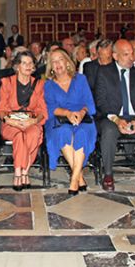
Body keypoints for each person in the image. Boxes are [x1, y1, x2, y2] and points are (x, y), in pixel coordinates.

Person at [94, 39, 135, 191]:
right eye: (126, 54)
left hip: (134, 117)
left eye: (133, 53)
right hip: (111, 118)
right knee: (109, 132)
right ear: (115, 56)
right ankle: (108, 174)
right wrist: (117, 120)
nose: (131, 57)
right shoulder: (104, 72)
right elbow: (100, 102)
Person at [44, 48, 96, 195]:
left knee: (82, 132)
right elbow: (50, 107)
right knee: (63, 132)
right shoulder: (48, 85)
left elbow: (89, 103)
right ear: (51, 66)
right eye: (53, 62)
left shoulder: (80, 79)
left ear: (67, 61)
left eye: (60, 59)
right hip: (58, 119)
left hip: (82, 117)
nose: (57, 64)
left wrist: (80, 112)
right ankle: (78, 177)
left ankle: (74, 178)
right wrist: (67, 113)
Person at [0, 51, 47, 190]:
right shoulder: (7, 82)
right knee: (19, 136)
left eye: (31, 63)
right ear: (17, 66)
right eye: (24, 63)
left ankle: (23, 171)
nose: (28, 66)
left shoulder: (39, 84)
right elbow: (1, 109)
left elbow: (42, 110)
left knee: (33, 134)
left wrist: (33, 121)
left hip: (31, 121)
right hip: (11, 122)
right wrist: (11, 121)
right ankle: (19, 173)